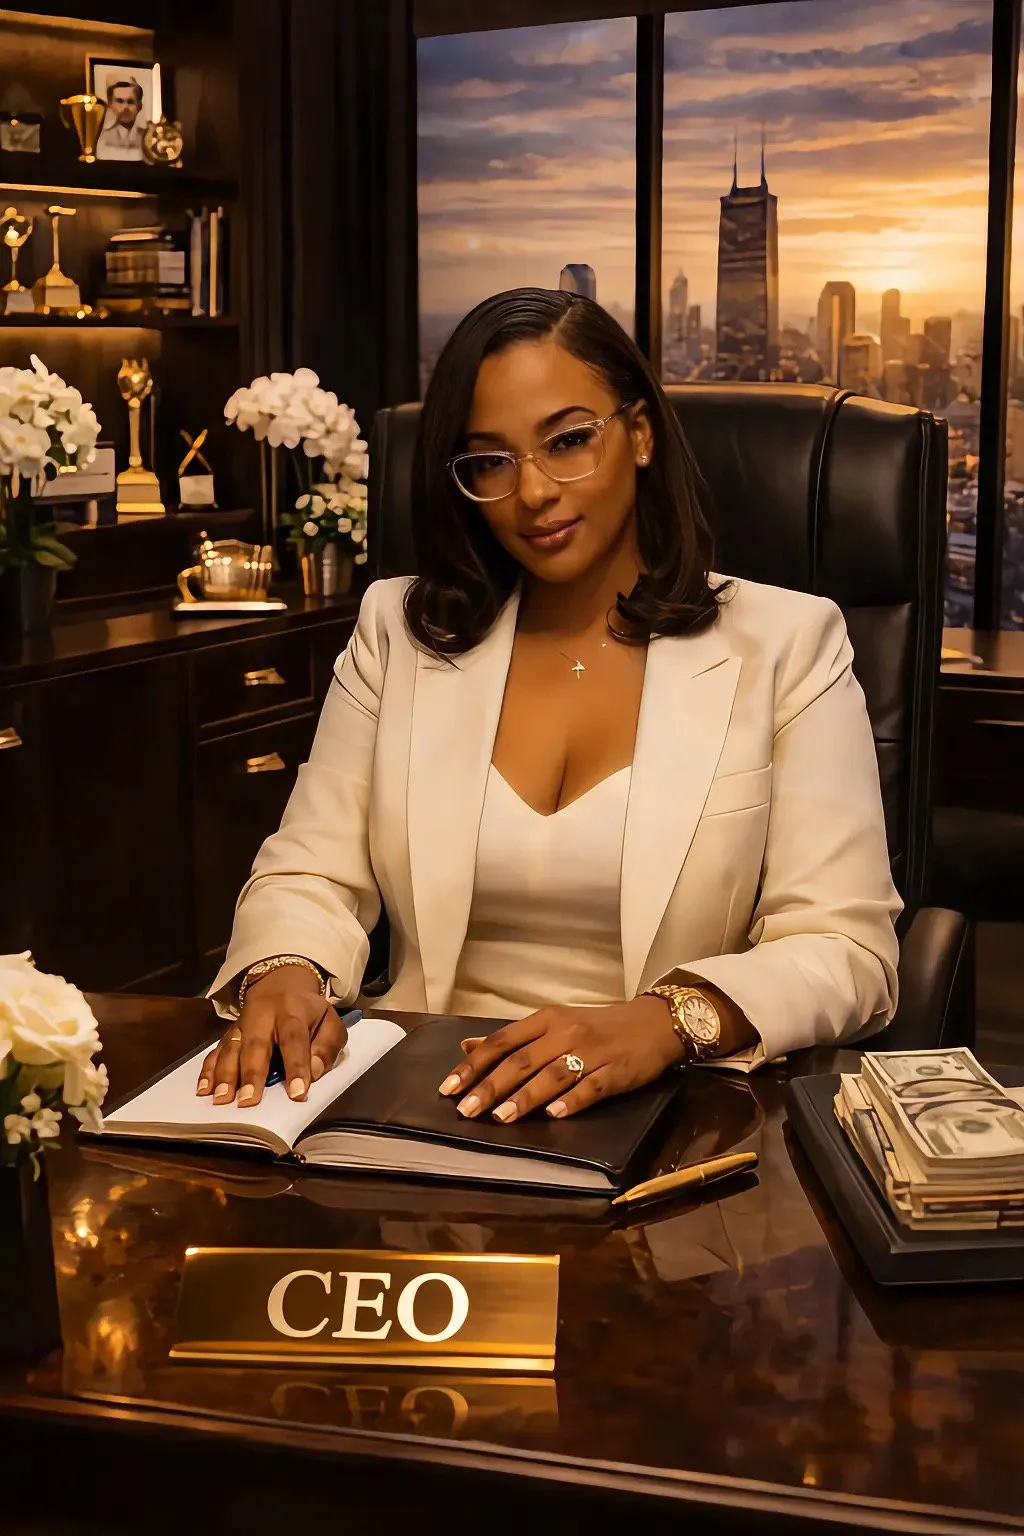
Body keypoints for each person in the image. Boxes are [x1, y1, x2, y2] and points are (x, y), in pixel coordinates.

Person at [201, 287, 901, 1124]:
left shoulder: (789, 642)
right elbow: (311, 871)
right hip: (422, 1099)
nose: (532, 491)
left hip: (670, 1117)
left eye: (568, 441)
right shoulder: (399, 631)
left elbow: (847, 949)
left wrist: (665, 1021)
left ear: (640, 434)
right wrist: (285, 970)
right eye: (490, 461)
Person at [97, 78, 146, 160]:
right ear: (110, 105)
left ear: (140, 106)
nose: (125, 107)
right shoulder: (101, 138)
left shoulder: (147, 138)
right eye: (120, 101)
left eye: (131, 101)